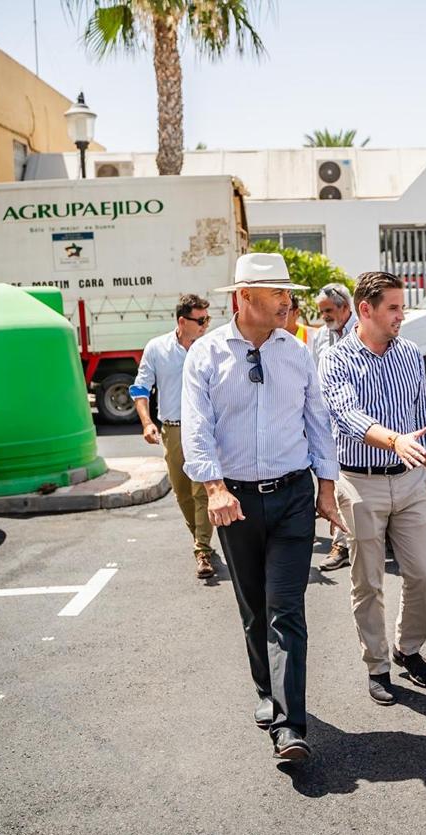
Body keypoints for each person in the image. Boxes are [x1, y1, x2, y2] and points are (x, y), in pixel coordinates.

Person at [182, 252, 346, 762]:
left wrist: (325, 486)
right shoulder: (206, 355)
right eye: (277, 293)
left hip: (293, 495)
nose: (287, 301)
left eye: (286, 293)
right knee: (254, 609)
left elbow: (318, 420)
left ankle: (290, 726)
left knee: (285, 609)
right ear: (243, 297)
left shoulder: (297, 353)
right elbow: (196, 427)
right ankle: (264, 689)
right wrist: (213, 488)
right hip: (236, 501)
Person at [318, 271, 426, 706]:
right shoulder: (336, 359)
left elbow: (422, 412)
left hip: (409, 479)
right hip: (359, 482)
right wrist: (393, 440)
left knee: (423, 572)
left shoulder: (410, 353)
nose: (401, 316)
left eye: (402, 307)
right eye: (393, 308)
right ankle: (377, 664)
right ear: (365, 309)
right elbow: (346, 416)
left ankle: (408, 649)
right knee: (368, 581)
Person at [129, 294, 215, 579]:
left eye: (207, 319)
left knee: (201, 489)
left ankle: (202, 549)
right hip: (173, 429)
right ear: (182, 321)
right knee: (182, 493)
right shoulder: (157, 348)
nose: (205, 325)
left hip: (205, 427)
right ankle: (199, 537)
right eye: (200, 320)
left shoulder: (210, 347)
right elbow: (140, 389)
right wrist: (146, 423)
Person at [311, 283, 361, 571]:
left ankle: (363, 538)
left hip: (361, 422)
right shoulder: (321, 337)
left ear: (346, 307)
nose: (324, 316)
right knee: (338, 482)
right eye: (321, 311)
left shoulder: (362, 332)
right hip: (330, 424)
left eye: (328, 310)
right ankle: (341, 544)